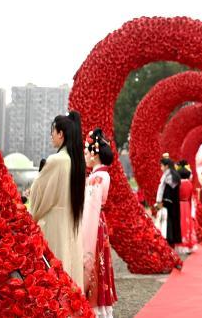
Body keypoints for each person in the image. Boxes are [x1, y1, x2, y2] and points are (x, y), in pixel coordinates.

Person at [29, 111, 85, 288]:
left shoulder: (57, 160)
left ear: (61, 134)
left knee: (53, 276)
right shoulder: (76, 162)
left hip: (54, 225)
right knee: (69, 271)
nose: (51, 136)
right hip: (70, 224)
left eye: (53, 132)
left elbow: (39, 194)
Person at [82, 128, 117, 317]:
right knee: (100, 262)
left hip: (93, 221)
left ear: (94, 155)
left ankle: (95, 304)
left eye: (87, 153)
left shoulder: (97, 177)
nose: (85, 156)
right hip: (98, 221)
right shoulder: (102, 174)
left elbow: (89, 207)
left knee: (93, 261)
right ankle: (101, 304)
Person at [156, 154, 182, 246]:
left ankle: (169, 240)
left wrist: (161, 202)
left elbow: (166, 192)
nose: (160, 168)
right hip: (173, 204)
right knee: (172, 222)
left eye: (161, 165)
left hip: (168, 204)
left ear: (166, 166)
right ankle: (172, 240)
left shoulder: (168, 177)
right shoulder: (173, 175)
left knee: (168, 223)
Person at [175, 162, 198, 254]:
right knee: (187, 224)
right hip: (187, 205)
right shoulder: (189, 184)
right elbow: (191, 197)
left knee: (180, 225)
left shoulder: (178, 184)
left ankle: (181, 244)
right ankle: (188, 243)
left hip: (179, 205)